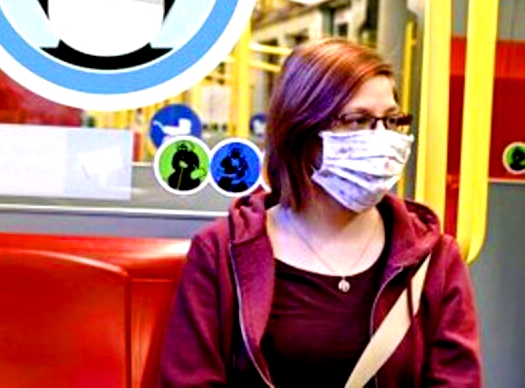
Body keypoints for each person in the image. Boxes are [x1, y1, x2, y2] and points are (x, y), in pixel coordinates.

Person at [158, 38, 482, 387]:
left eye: (392, 120)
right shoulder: (222, 252)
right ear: (302, 129)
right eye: (357, 120)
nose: (382, 139)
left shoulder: (435, 260)